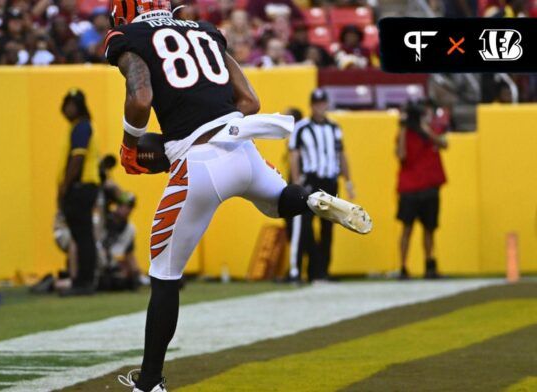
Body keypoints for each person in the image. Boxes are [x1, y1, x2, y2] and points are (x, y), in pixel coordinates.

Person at [104, 4, 372, 391]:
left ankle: (149, 383)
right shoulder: (204, 30)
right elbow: (250, 101)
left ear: (123, 15)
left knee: (165, 276)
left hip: (198, 162)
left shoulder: (130, 38)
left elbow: (142, 97)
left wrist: (132, 145)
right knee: (277, 200)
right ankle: (311, 199)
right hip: (242, 144)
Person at [287, 89, 356, 282]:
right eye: (316, 104)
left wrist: (348, 180)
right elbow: (294, 155)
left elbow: (341, 154)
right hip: (311, 180)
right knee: (305, 226)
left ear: (326, 104)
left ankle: (322, 272)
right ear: (311, 105)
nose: (319, 107)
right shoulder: (302, 128)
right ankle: (300, 269)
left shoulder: (335, 128)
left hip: (330, 181)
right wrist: (296, 180)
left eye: (322, 103)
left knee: (328, 228)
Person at [396, 99, 448, 280]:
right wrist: (403, 127)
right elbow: (401, 155)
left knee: (429, 229)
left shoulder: (430, 131)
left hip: (428, 187)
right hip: (410, 188)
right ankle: (403, 267)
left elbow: (444, 144)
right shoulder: (405, 133)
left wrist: (424, 129)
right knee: (407, 229)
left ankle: (430, 264)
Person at [57, 88, 101, 296]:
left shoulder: (82, 127)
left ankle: (84, 281)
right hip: (83, 187)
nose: (68, 108)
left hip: (80, 187)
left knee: (83, 236)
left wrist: (65, 185)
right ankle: (84, 279)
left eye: (72, 104)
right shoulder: (80, 127)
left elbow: (77, 159)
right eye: (67, 103)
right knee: (82, 235)